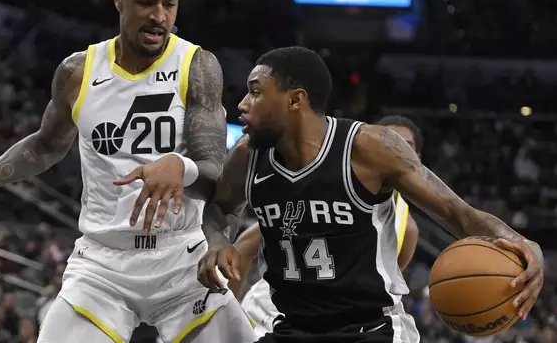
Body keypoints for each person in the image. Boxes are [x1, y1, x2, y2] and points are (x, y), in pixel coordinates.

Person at [0, 0, 256, 342]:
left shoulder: (197, 66)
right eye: (146, 1)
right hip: (103, 261)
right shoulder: (77, 72)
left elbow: (215, 170)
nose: (159, 16)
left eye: (168, 4)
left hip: (181, 256)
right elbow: (46, 145)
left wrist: (180, 166)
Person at [197, 46, 544, 343]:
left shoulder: (367, 148)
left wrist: (522, 243)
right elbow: (220, 209)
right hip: (292, 327)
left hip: (370, 329)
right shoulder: (247, 156)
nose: (242, 104)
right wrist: (216, 240)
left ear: (295, 99)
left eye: (256, 92)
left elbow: (457, 212)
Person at [228, 116, 422, 337]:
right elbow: (244, 247)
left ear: (417, 158)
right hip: (272, 309)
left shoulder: (407, 229)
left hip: (335, 322)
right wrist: (229, 317)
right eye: (387, 142)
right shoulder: (329, 190)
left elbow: (381, 292)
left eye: (404, 145)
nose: (393, 150)